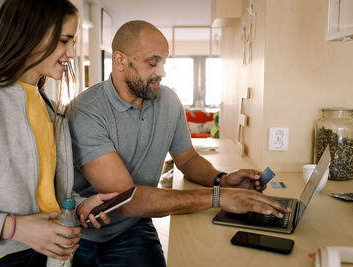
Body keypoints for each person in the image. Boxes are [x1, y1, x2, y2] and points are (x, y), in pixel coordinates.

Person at [69, 20, 290, 267]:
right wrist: (219, 197)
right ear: (120, 61)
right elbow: (128, 200)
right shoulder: (87, 110)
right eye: (153, 63)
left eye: (164, 62)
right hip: (83, 235)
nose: (162, 72)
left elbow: (188, 159)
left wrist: (223, 180)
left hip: (133, 227)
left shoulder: (168, 101)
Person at [0, 0, 117, 266]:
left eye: (73, 42)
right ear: (29, 35)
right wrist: (14, 228)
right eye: (65, 40)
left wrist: (77, 205)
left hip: (41, 253)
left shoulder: (49, 107)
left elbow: (41, 192)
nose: (73, 53)